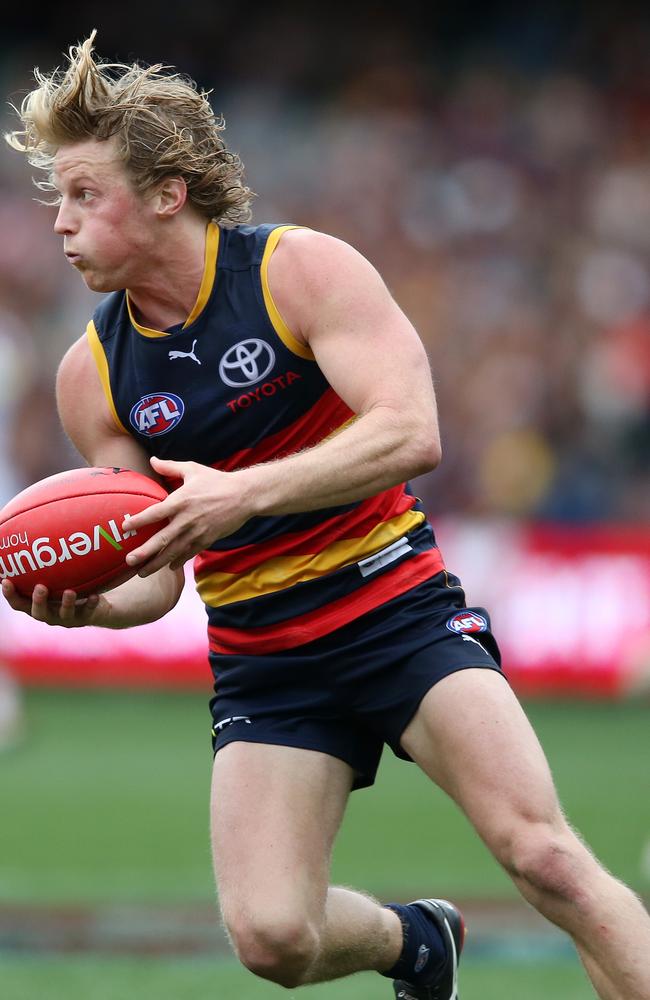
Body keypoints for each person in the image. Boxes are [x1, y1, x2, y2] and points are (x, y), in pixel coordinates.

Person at [3, 32, 650, 1000]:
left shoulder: (297, 272)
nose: (59, 222)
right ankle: (413, 942)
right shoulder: (90, 374)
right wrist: (93, 608)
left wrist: (243, 491)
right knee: (270, 937)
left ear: (167, 193)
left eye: (85, 194)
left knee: (544, 858)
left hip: (396, 610)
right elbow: (155, 569)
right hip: (264, 653)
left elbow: (409, 432)